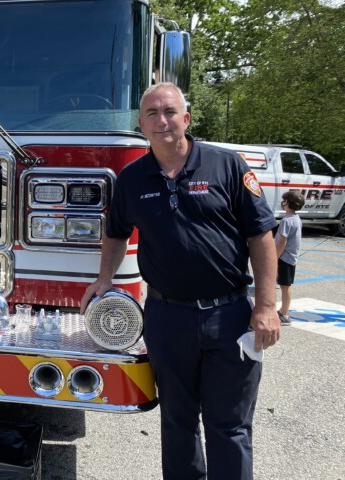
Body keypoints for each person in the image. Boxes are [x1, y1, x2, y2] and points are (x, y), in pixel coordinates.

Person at [80, 82, 281, 480]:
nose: (162, 120)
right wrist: (104, 278)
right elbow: (116, 232)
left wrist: (265, 305)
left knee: (230, 425)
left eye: (170, 111)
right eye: (152, 114)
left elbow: (261, 235)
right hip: (167, 318)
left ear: (186, 119)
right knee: (177, 421)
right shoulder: (132, 179)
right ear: (141, 124)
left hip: (230, 318)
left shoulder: (227, 166)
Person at [275, 190, 305, 325]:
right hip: (291, 257)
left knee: (284, 286)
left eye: (284, 200)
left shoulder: (286, 221)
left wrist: (274, 257)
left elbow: (282, 241)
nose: (283, 202)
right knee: (285, 285)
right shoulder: (296, 218)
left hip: (284, 258)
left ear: (288, 202)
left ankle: (285, 314)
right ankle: (283, 309)